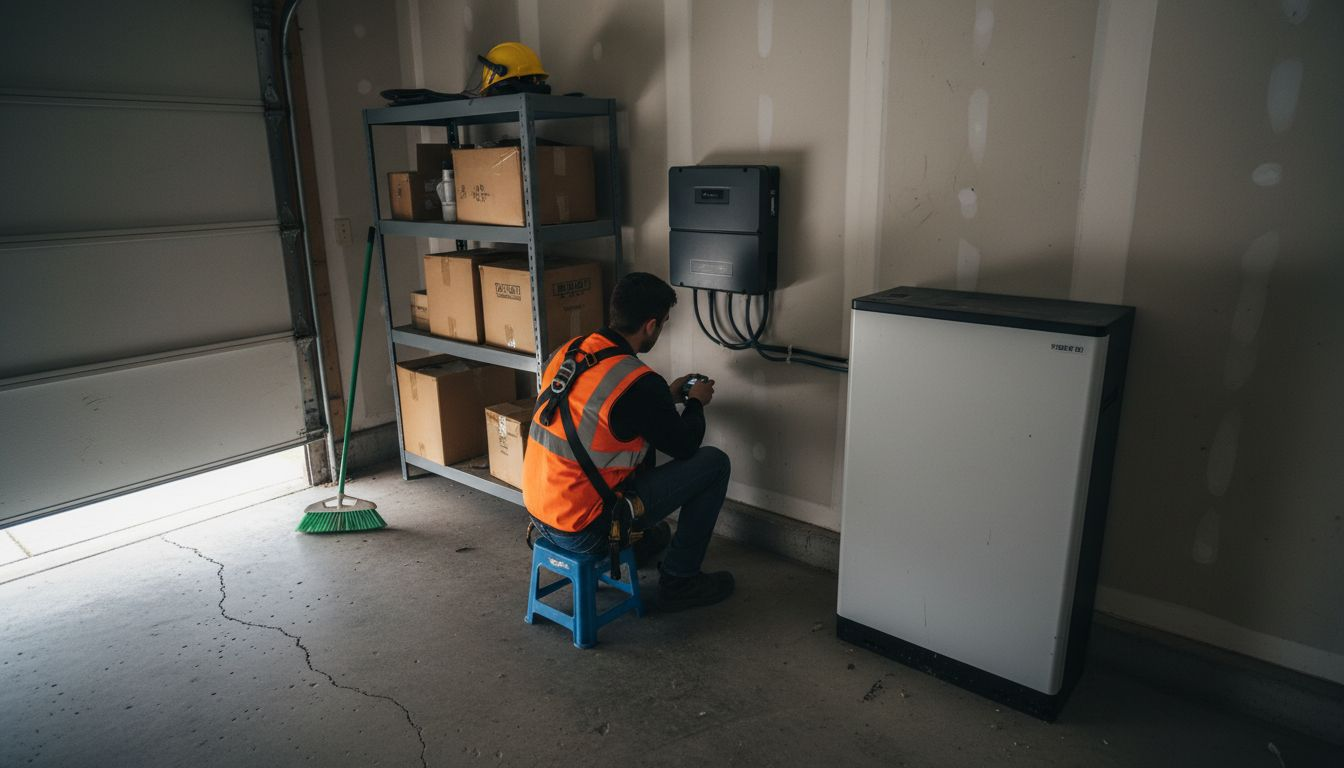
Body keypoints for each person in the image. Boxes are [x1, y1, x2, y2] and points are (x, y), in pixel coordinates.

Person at [522, 272, 734, 611]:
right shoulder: (639, 382)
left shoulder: (570, 350)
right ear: (650, 325)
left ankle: (639, 541)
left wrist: (666, 397)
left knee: (656, 528)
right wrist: (696, 402)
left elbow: (592, 412)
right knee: (715, 463)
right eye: (663, 323)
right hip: (584, 530)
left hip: (540, 514)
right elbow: (685, 446)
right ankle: (681, 580)